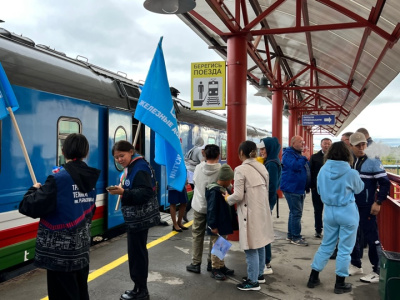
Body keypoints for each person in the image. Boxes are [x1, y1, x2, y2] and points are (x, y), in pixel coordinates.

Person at [19, 133, 101, 300]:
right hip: (81, 251)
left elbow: (28, 207)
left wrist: (33, 190)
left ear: (63, 151)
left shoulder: (58, 178)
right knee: (80, 292)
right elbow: (90, 211)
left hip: (59, 256)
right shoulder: (91, 180)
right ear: (86, 153)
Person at [307, 141, 364, 294]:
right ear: (347, 154)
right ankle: (340, 283)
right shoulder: (351, 172)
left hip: (329, 212)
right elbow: (359, 189)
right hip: (347, 211)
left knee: (326, 245)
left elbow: (319, 190)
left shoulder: (323, 170)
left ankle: (313, 277)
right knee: (345, 249)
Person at [108, 140, 160, 300]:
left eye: (121, 156)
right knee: (137, 253)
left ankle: (141, 290)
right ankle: (138, 287)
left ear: (131, 151)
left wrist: (123, 192)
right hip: (136, 219)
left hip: (139, 219)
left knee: (137, 254)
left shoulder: (140, 168)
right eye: (116, 157)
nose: (119, 160)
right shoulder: (135, 166)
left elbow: (145, 193)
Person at [227, 141, 274, 291]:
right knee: (259, 243)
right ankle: (259, 275)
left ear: (241, 153)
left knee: (250, 248)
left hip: (249, 213)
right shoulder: (262, 167)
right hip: (262, 211)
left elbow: (238, 195)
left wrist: (227, 198)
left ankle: (253, 281)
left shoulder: (241, 169)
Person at [348, 132, 390, 284]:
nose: (361, 148)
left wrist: (378, 202)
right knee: (354, 235)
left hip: (367, 206)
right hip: (354, 205)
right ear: (351, 146)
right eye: (357, 145)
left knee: (372, 238)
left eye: (363, 144)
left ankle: (378, 270)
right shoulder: (354, 160)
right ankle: (356, 264)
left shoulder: (372, 160)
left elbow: (385, 183)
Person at [186, 144, 221, 274]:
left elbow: (195, 182)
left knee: (197, 235)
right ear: (218, 155)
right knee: (216, 236)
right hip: (215, 209)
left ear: (204, 154)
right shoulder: (221, 169)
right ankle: (213, 264)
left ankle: (195, 263)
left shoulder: (199, 168)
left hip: (199, 206)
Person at [206, 164, 236, 281]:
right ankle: (215, 268)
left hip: (223, 224)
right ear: (225, 179)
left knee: (222, 245)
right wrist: (212, 225)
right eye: (230, 179)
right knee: (217, 246)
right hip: (216, 225)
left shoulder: (224, 189)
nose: (231, 182)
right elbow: (211, 210)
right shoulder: (214, 191)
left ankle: (221, 266)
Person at [257, 137, 282, 275]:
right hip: (268, 201)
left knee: (263, 232)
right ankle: (266, 261)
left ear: (270, 148)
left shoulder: (271, 164)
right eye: (260, 149)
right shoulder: (273, 161)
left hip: (266, 202)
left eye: (263, 148)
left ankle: (266, 262)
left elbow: (271, 186)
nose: (261, 152)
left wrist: (263, 201)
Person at [280, 135, 311, 246]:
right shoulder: (288, 154)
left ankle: (291, 235)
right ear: (293, 143)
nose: (303, 144)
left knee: (294, 213)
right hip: (292, 188)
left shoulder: (297, 154)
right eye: (300, 142)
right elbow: (295, 166)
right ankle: (296, 237)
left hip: (299, 188)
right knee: (296, 213)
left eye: (303, 141)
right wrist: (305, 158)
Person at [309, 138, 332, 238]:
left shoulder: (334, 157)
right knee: (318, 210)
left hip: (331, 189)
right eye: (325, 144)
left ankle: (329, 230)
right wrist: (312, 186)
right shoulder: (314, 157)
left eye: (329, 144)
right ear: (321, 145)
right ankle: (318, 230)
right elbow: (310, 172)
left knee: (330, 210)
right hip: (317, 188)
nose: (327, 146)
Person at [183, 137, 205, 222]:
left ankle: (185, 210)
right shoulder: (199, 150)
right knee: (197, 193)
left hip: (189, 172)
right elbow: (202, 162)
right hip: (194, 173)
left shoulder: (191, 150)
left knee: (195, 192)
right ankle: (186, 210)